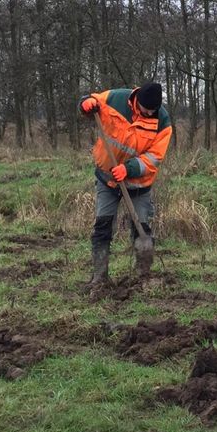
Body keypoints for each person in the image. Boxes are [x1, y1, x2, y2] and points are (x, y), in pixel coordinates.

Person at [79, 82, 172, 285]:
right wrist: (86, 103)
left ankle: (142, 276)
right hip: (107, 178)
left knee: (141, 227)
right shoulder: (116, 98)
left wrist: (128, 169)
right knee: (103, 225)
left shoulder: (163, 121)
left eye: (152, 110)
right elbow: (93, 100)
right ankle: (100, 277)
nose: (148, 113)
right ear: (137, 100)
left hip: (139, 184)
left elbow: (155, 158)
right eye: (145, 108)